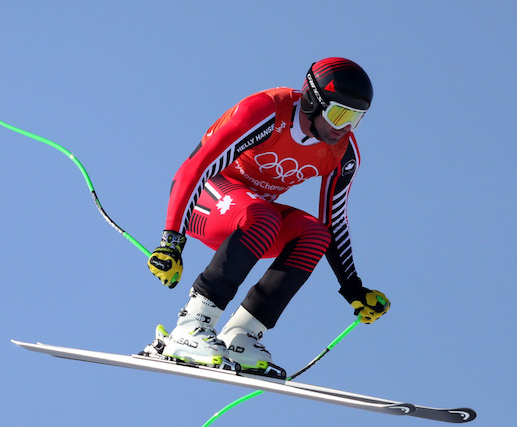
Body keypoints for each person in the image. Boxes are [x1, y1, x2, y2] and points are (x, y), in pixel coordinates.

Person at [146, 57, 389, 377]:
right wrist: (171, 242)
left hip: (251, 223)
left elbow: (334, 221)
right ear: (313, 100)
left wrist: (353, 288)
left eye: (355, 119)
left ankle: (241, 335)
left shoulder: (342, 153)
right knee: (263, 216)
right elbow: (196, 168)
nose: (344, 127)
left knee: (317, 234)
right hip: (206, 203)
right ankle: (191, 326)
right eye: (339, 114)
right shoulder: (266, 112)